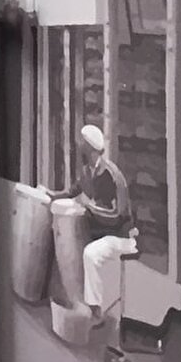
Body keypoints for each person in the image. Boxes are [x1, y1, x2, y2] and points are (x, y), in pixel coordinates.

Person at [52, 124, 138, 324]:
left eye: (81, 144)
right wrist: (50, 195)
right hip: (102, 234)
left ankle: (96, 311)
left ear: (89, 148)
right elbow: (72, 191)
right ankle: (79, 302)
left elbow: (118, 214)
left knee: (90, 253)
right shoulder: (86, 172)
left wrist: (89, 207)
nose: (78, 147)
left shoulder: (112, 175)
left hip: (121, 236)